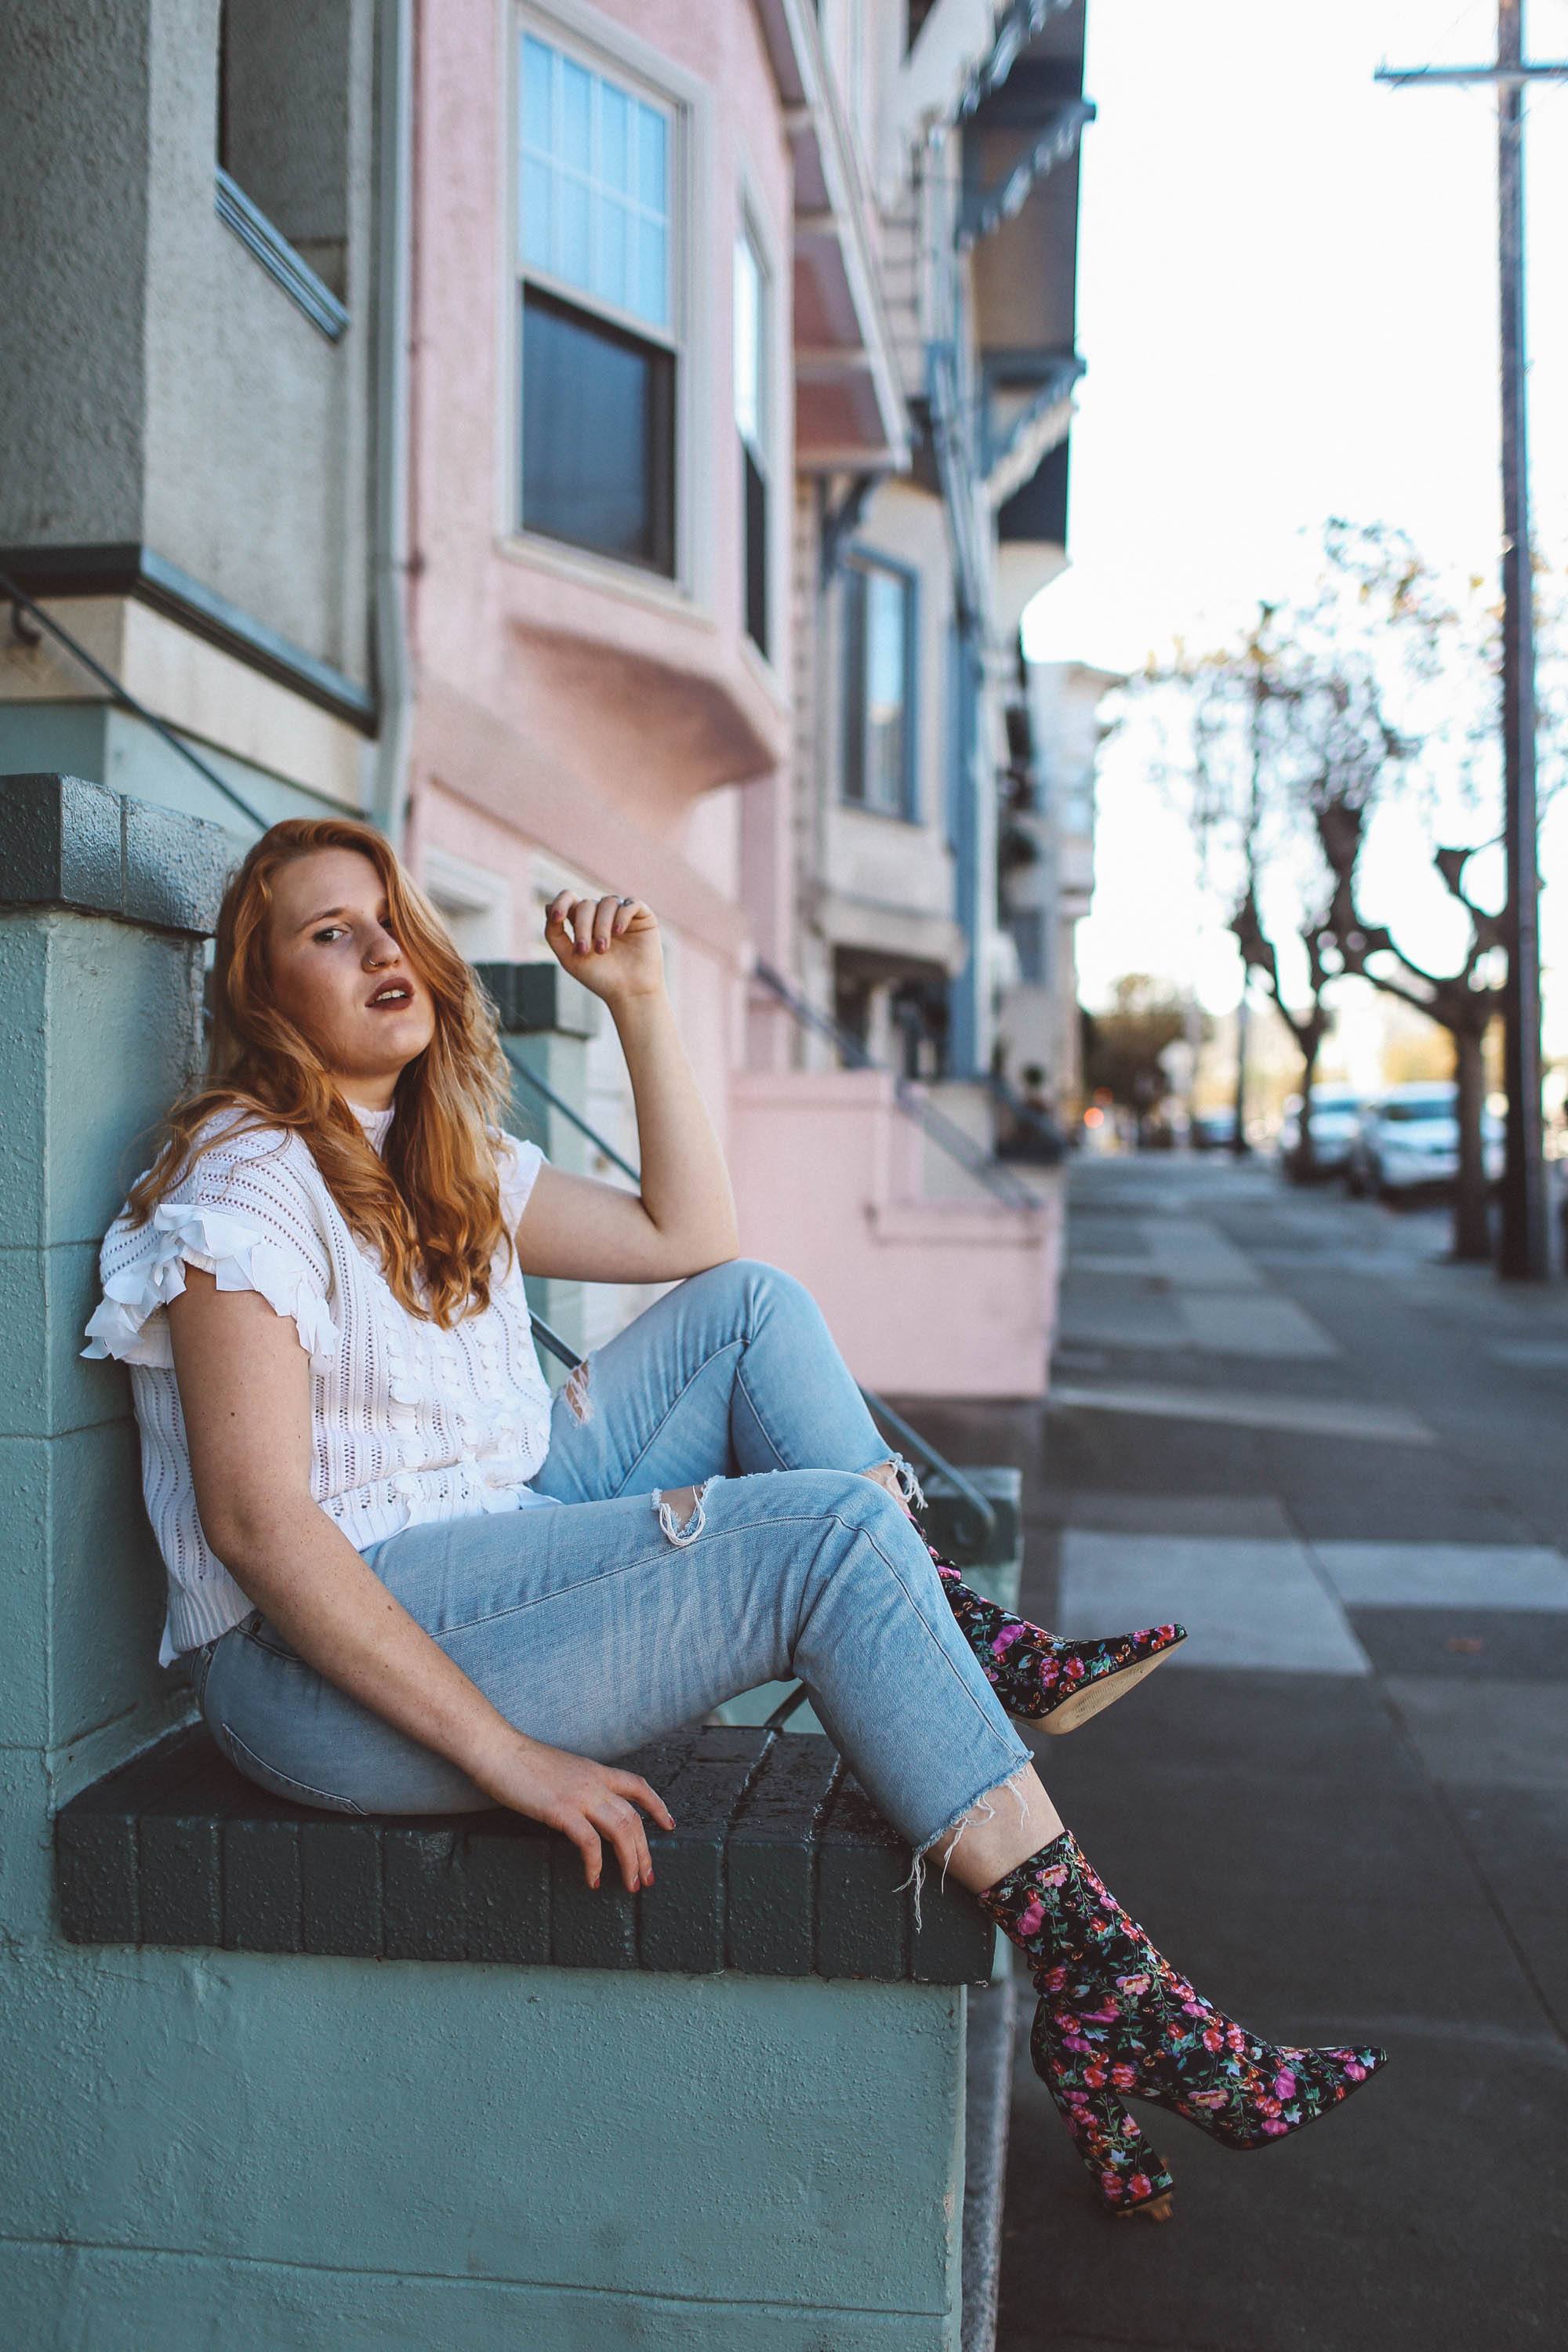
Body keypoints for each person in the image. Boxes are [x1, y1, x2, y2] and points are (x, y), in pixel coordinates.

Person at [84, 818, 1385, 2222]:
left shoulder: (423, 1149)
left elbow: (685, 1238)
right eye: (329, 933)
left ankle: (979, 1685)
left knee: (750, 1309)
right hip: (312, 1681)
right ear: (262, 994)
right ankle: (1119, 1999)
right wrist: (514, 1760)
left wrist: (640, 1000)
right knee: (825, 1538)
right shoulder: (245, 1186)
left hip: (477, 1544)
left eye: (390, 918)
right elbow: (263, 1530)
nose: (383, 946)